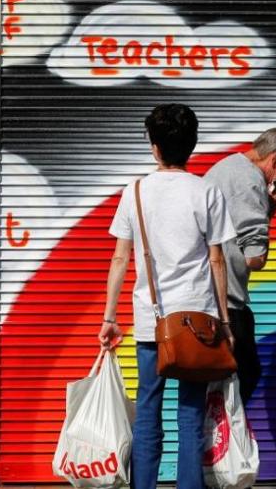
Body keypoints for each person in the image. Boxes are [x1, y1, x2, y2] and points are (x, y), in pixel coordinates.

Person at [98, 103, 236, 489]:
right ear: (191, 145)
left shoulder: (136, 191)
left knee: (147, 412)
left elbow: (120, 258)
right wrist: (225, 322)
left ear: (154, 146)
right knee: (191, 416)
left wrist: (109, 319)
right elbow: (217, 260)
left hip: (150, 321)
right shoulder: (206, 191)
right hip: (199, 322)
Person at [203, 127, 276, 408]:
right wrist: (268, 215)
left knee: (211, 388)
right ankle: (219, 447)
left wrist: (266, 212)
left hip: (207, 297)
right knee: (245, 375)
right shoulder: (250, 183)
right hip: (228, 303)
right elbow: (255, 259)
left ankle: (211, 445)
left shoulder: (225, 167)